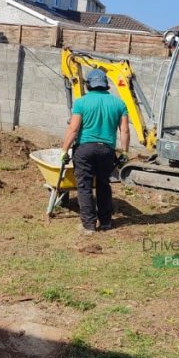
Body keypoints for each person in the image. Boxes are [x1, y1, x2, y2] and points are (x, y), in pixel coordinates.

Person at [60, 68, 130, 234]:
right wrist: (125, 152)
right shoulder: (119, 103)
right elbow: (125, 131)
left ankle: (89, 225)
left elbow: (74, 128)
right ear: (105, 85)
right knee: (104, 185)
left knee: (84, 187)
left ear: (89, 84)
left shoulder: (81, 102)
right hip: (107, 150)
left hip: (85, 149)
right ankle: (106, 222)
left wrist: (65, 150)